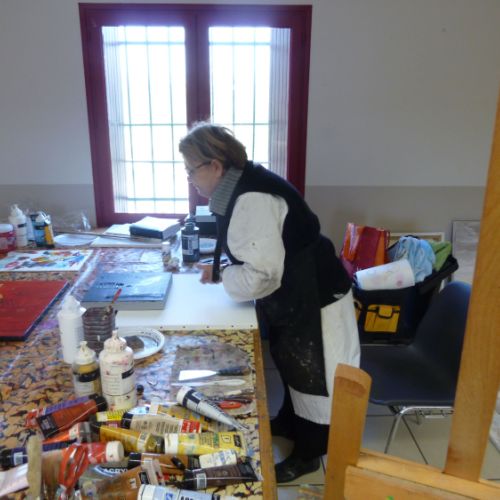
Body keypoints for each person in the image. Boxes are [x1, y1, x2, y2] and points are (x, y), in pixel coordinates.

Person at [179, 122, 360, 483]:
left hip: (315, 297)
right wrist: (223, 270)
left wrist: (226, 277)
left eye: (191, 170)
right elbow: (260, 250)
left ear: (215, 165)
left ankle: (309, 454)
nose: (189, 179)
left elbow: (262, 274)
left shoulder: (252, 199)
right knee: (293, 365)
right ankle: (290, 423)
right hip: (297, 289)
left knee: (314, 375)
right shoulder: (242, 184)